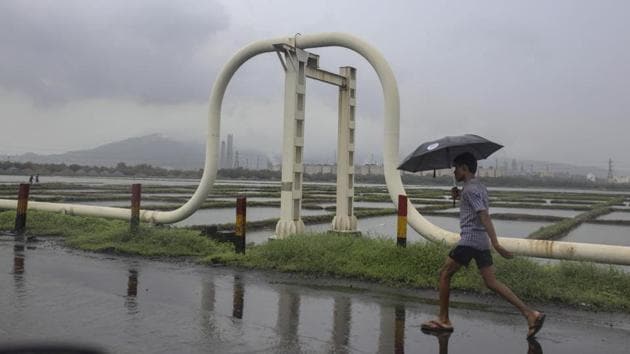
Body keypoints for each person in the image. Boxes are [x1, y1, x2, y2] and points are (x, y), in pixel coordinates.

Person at [421, 152, 545, 339]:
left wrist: (496, 243)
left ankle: (444, 320)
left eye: (456, 168)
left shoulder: (470, 190)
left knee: (445, 274)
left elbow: (483, 214)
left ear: (465, 168)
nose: (454, 171)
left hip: (470, 240)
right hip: (480, 242)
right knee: (491, 282)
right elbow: (474, 202)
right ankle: (530, 314)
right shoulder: (477, 186)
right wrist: (459, 195)